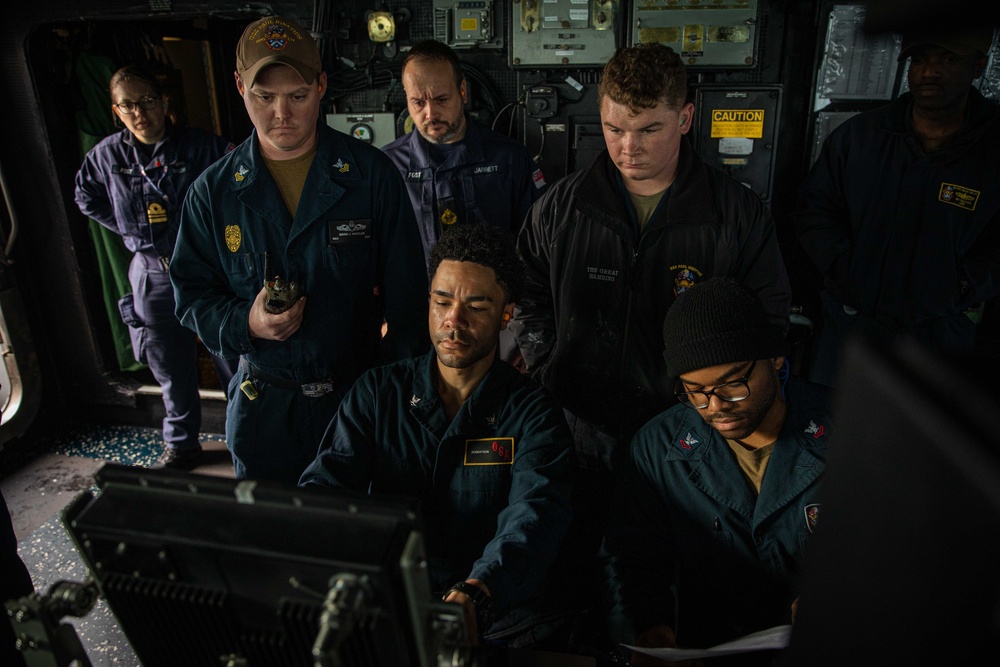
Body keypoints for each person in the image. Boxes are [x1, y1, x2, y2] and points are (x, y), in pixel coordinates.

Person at [511, 42, 791, 607]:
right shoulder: (561, 206)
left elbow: (767, 320)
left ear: (686, 118)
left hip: (687, 437)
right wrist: (549, 364)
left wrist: (710, 402)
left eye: (648, 129)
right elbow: (528, 294)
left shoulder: (735, 214)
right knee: (578, 569)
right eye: (614, 129)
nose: (627, 148)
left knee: (675, 578)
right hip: (580, 426)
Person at [170, 16, 428, 484]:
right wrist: (246, 323)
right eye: (263, 98)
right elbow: (191, 296)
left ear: (322, 85)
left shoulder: (371, 177)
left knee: (359, 534)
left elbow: (409, 303)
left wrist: (396, 397)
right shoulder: (213, 193)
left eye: (297, 96)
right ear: (238, 87)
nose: (281, 115)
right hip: (264, 409)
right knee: (275, 541)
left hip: (357, 400)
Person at [299, 223, 574, 644]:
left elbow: (535, 517)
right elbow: (325, 487)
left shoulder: (533, 414)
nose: (454, 320)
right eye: (442, 301)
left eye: (477, 306)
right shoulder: (377, 393)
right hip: (391, 599)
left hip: (496, 613)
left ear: (507, 314)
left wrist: (479, 592)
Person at [601, 277, 831, 664]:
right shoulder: (657, 449)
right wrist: (646, 628)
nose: (715, 407)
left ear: (776, 359)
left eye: (733, 384)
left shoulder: (851, 428)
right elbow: (631, 559)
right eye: (694, 391)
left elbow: (896, 546)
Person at [794, 25, 1000, 387]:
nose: (929, 72)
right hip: (853, 322)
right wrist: (846, 268)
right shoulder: (860, 138)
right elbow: (814, 210)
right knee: (827, 425)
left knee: (924, 434)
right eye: (919, 60)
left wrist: (964, 285)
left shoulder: (993, 149)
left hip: (943, 330)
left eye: (948, 59)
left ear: (979, 65)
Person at [74, 64, 238, 470]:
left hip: (207, 271)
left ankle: (244, 438)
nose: (139, 113)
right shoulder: (106, 156)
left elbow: (243, 180)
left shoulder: (203, 147)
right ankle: (182, 444)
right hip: (150, 274)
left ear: (164, 102)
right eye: (128, 106)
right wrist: (128, 232)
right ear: (116, 112)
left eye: (146, 101)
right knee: (168, 365)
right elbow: (85, 196)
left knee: (232, 362)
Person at [383, 39, 546, 366]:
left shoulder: (508, 160)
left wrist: (525, 328)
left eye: (441, 99)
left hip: (495, 325)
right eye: (418, 102)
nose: (430, 113)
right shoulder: (388, 168)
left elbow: (537, 250)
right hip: (415, 330)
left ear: (463, 92)